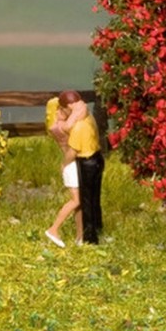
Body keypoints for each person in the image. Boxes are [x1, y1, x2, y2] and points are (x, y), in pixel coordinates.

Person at [57, 89, 104, 244]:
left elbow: (72, 152)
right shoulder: (88, 117)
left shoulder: (78, 127)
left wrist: (64, 164)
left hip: (87, 163)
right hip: (97, 158)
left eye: (62, 109)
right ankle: (97, 227)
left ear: (69, 107)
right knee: (95, 198)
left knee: (86, 201)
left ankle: (89, 237)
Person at [45, 99, 83, 248]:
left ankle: (80, 236)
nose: (64, 112)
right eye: (60, 110)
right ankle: (54, 229)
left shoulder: (55, 126)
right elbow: (75, 122)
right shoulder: (59, 126)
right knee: (76, 200)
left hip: (74, 165)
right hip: (71, 165)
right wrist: (78, 109)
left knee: (79, 204)